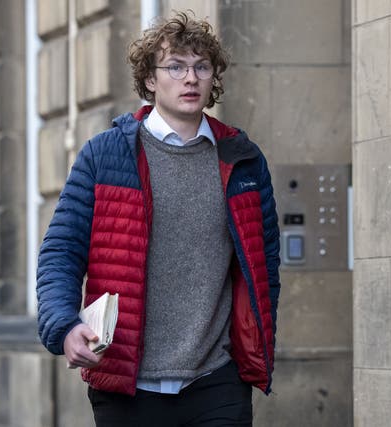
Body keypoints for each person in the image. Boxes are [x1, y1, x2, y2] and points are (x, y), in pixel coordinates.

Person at [37, 11, 280, 426]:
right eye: (176, 67)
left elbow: (265, 265)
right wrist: (63, 325)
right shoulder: (106, 155)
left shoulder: (242, 159)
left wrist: (253, 345)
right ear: (150, 80)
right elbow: (61, 252)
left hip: (217, 381)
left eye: (201, 67)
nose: (191, 78)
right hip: (127, 386)